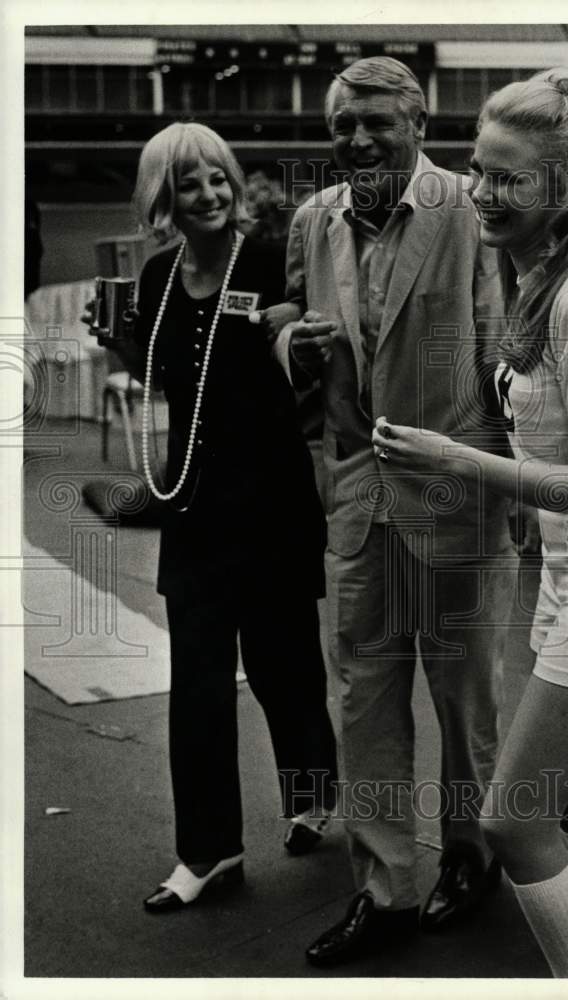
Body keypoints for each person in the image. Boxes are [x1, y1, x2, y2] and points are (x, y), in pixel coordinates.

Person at [372, 68, 568, 978]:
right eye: (478, 169)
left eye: (508, 179)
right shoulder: (545, 278)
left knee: (514, 816)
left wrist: (457, 460)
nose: (481, 192)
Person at [257, 57, 516, 967]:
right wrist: (293, 339)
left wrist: (508, 490)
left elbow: (501, 350)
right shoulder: (312, 218)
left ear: (417, 125)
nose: (359, 139)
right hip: (357, 499)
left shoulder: (471, 208)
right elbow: (287, 310)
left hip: (458, 491)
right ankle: (386, 889)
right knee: (365, 701)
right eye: (343, 125)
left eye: (377, 123)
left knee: (463, 701)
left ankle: (475, 856)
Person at [86, 122, 338, 912]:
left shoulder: (268, 265)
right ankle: (208, 850)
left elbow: (301, 363)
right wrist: (118, 347)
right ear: (166, 196)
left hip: (268, 502)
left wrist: (295, 338)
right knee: (194, 682)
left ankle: (310, 792)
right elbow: (159, 378)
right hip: (192, 503)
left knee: (283, 668)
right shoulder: (158, 277)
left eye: (219, 179)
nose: (209, 195)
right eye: (191, 183)